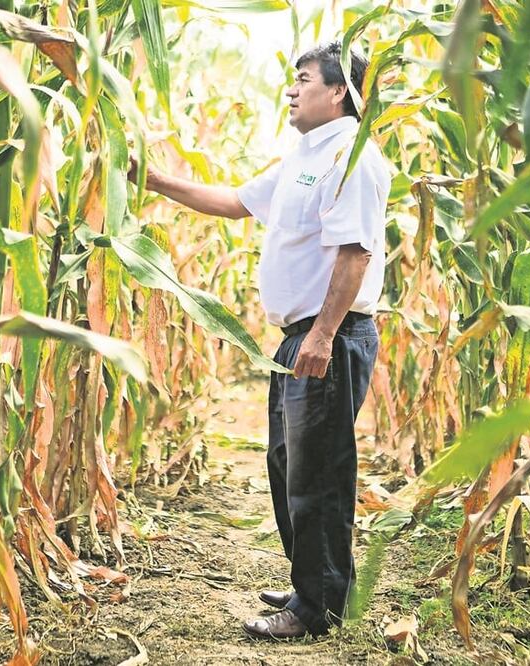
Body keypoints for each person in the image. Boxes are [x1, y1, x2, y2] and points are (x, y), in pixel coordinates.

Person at [135, 41, 390, 640]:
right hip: (299, 338)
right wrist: (149, 180)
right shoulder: (305, 157)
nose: (292, 90)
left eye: (304, 80)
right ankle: (322, 584)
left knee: (316, 472)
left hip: (327, 335)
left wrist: (324, 333)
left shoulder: (351, 157)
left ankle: (314, 608)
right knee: (288, 463)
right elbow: (233, 203)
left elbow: (355, 254)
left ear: (340, 92)